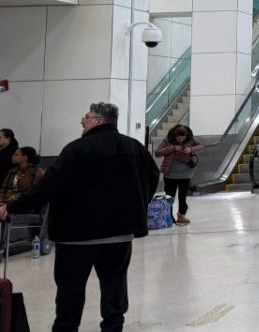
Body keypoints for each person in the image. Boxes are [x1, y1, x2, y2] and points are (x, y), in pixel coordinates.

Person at [0, 102, 158, 331]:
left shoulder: (77, 149)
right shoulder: (134, 147)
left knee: (70, 292)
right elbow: (153, 176)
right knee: (115, 287)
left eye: (87, 116)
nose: (82, 120)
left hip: (76, 236)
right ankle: (113, 327)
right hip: (120, 235)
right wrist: (135, 208)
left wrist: (13, 206)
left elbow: (48, 186)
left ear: (98, 121)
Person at [153, 124, 203, 225]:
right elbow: (157, 153)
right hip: (170, 175)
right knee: (169, 197)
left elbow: (201, 146)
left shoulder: (190, 139)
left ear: (186, 135)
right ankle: (169, 218)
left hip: (185, 175)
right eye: (178, 137)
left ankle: (181, 216)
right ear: (174, 136)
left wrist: (191, 149)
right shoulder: (168, 140)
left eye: (183, 137)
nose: (181, 139)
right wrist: (172, 148)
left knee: (183, 197)